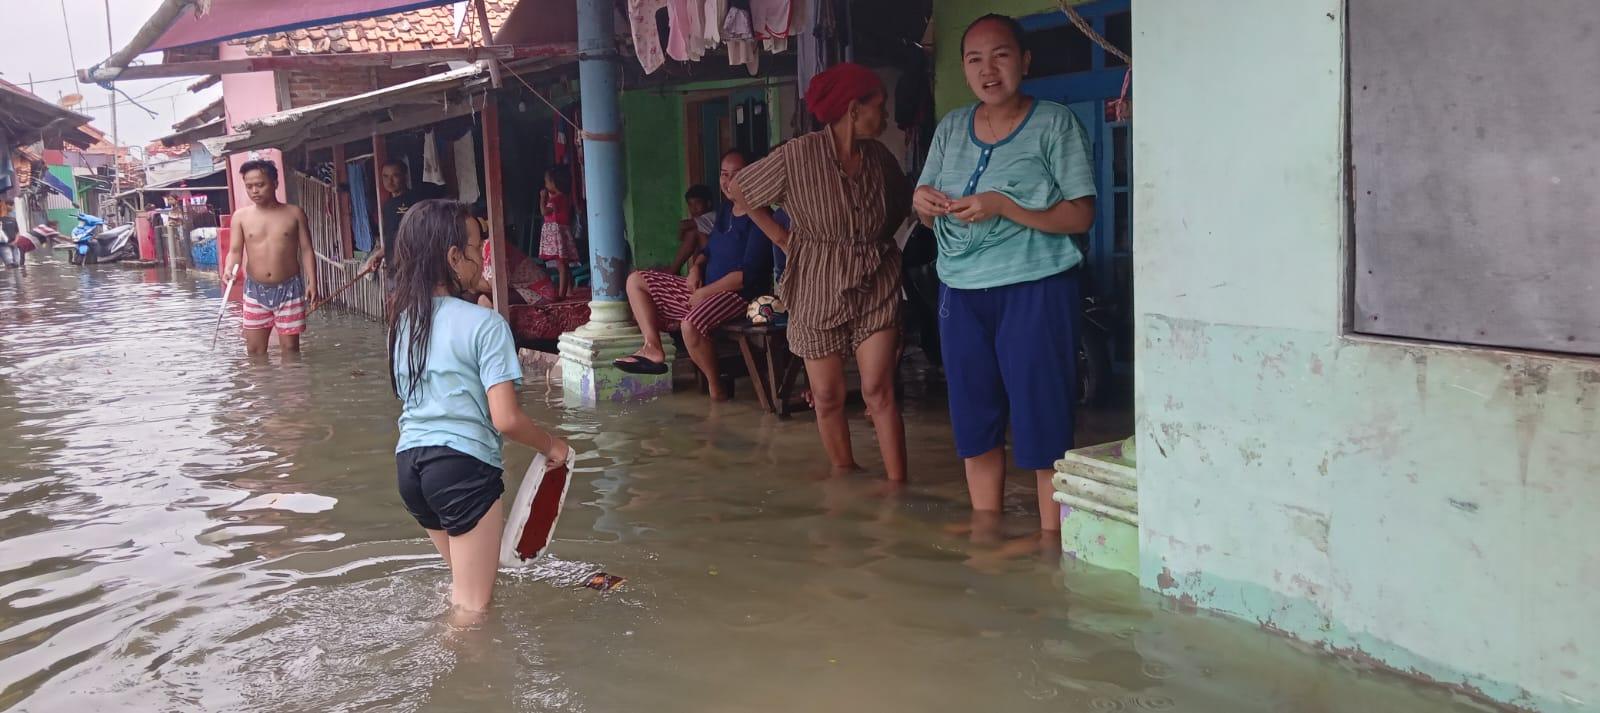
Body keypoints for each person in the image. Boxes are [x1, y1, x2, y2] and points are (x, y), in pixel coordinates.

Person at [913, 14, 1098, 536]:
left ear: (1025, 61)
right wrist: (922, 202)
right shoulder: (951, 127)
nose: (987, 70)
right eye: (974, 59)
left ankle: (1050, 546)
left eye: (1001, 55)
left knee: (1044, 421)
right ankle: (988, 541)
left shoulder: (1054, 124)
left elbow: (1081, 215)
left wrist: (1003, 205)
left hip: (1036, 287)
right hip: (961, 293)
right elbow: (924, 207)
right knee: (975, 423)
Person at [386, 198, 570, 616]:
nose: (482, 257)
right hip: (461, 469)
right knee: (473, 609)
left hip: (410, 467)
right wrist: (552, 446)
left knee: (466, 592)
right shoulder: (486, 325)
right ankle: (458, 678)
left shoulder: (403, 323)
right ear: (454, 257)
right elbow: (505, 419)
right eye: (477, 247)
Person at [728, 63, 910, 482]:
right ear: (853, 108)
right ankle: (846, 477)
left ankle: (899, 488)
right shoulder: (798, 154)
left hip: (875, 278)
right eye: (878, 107)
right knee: (827, 396)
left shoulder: (881, 159)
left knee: (877, 390)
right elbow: (740, 187)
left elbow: (900, 205)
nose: (885, 117)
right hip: (815, 281)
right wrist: (781, 235)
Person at [613, 149, 787, 400]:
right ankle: (652, 348)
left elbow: (745, 277)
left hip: (738, 297)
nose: (728, 182)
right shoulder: (727, 210)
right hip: (706, 288)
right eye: (724, 175)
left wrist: (704, 293)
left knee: (690, 325)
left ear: (752, 175)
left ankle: (716, 389)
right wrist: (696, 268)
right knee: (636, 281)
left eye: (736, 175)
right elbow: (708, 249)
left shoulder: (761, 216)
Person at [225, 159, 318, 355]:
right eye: (249, 186)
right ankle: (261, 386)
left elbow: (307, 249)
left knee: (291, 349)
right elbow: (235, 251)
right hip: (255, 290)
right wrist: (228, 269)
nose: (254, 191)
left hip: (289, 289)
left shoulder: (294, 213)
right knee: (255, 350)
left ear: (275, 184)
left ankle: (292, 386)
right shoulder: (240, 217)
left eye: (260, 184)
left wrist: (312, 283)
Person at [362, 159, 433, 276]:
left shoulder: (416, 201)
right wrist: (378, 256)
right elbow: (391, 238)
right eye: (385, 176)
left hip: (415, 269)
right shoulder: (387, 206)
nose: (389, 181)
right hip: (394, 270)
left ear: (404, 176)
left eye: (395, 176)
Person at [539, 169, 580, 299]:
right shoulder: (563, 197)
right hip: (561, 231)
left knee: (561, 265)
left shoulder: (556, 199)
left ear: (554, 183)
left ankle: (561, 294)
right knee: (563, 264)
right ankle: (568, 290)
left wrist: (542, 198)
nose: (545, 185)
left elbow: (544, 212)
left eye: (547, 182)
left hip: (557, 232)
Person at [668, 184, 717, 275]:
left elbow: (683, 226)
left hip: (718, 258)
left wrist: (683, 231)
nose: (693, 208)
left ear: (708, 203)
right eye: (690, 204)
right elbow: (681, 236)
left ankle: (672, 271)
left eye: (697, 203)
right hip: (708, 258)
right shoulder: (699, 222)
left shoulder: (713, 216)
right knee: (694, 233)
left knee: (693, 233)